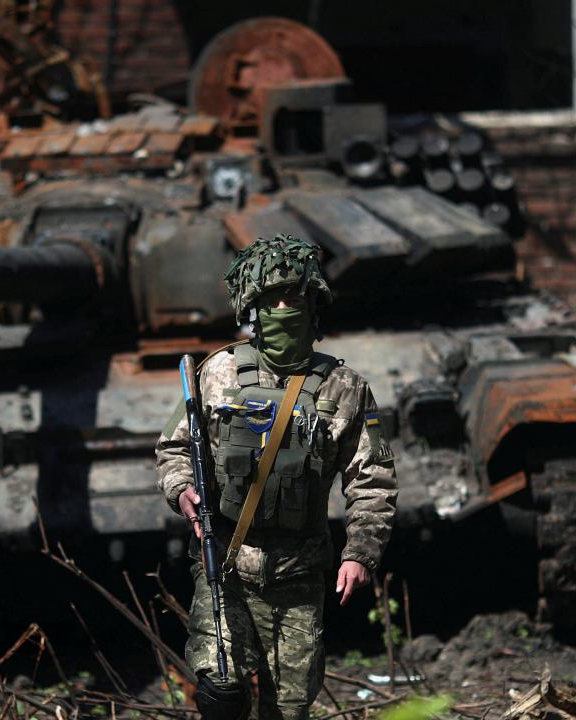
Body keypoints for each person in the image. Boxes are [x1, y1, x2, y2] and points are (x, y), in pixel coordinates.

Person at [156, 234, 398, 720]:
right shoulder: (217, 373)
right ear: (253, 310)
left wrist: (360, 552)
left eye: (295, 298)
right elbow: (176, 446)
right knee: (220, 694)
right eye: (271, 300)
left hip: (299, 573)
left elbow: (372, 478)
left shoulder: (345, 388)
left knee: (287, 709)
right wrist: (181, 489)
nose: (284, 309)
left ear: (314, 306)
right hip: (225, 563)